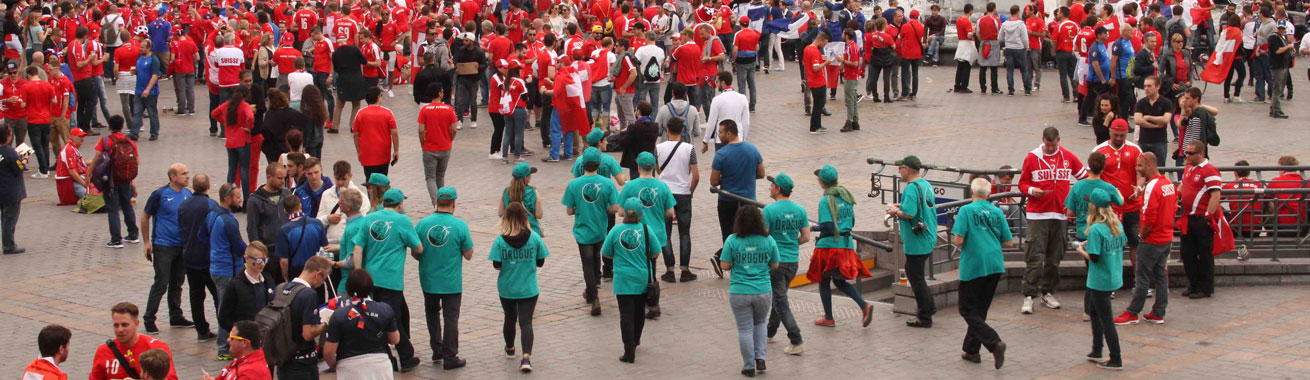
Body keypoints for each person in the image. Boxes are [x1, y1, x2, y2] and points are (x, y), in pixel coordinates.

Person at [1018, 127, 1087, 314]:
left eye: (1053, 145)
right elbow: (1022, 184)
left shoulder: (1067, 156)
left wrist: (1075, 199)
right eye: (1047, 145)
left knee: (1054, 258)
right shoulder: (1032, 157)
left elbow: (1084, 178)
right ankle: (1029, 295)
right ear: (1043, 140)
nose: (1050, 148)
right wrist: (1033, 191)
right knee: (1035, 256)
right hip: (1038, 215)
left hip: (1060, 214)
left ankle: (1048, 292)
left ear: (1059, 140)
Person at [949, 178, 1014, 369]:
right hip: (994, 263)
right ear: (989, 194)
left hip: (974, 264)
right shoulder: (996, 211)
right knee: (980, 309)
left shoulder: (966, 210)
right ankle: (971, 350)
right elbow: (1009, 242)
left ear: (971, 192)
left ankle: (994, 342)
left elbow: (958, 240)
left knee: (967, 309)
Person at [415, 186, 473, 369]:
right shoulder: (460, 225)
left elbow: (416, 252)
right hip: (451, 282)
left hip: (428, 280)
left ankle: (437, 349)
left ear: (437, 202)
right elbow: (469, 254)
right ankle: (450, 356)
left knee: (432, 313)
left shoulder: (423, 224)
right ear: (454, 204)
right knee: (451, 318)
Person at [719, 204, 780, 377]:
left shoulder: (732, 239)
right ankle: (760, 357)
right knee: (760, 323)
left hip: (740, 291)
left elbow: (724, 265)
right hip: (763, 290)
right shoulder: (768, 240)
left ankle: (748, 366)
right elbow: (775, 264)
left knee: (745, 329)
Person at [1115, 152, 1175, 325]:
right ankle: (1158, 312)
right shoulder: (1168, 184)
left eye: (1140, 165)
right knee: (1161, 275)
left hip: (1152, 239)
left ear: (1149, 165)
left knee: (1142, 277)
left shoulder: (1152, 187)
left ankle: (1133, 312)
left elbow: (1149, 215)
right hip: (1166, 237)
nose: (1137, 168)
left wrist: (1142, 235)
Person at [490, 201, 550, 373]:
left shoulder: (500, 240)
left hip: (507, 288)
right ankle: (526, 358)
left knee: (509, 317)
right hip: (528, 288)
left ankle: (510, 348)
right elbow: (540, 262)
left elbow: (496, 265)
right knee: (526, 322)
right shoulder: (534, 238)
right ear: (525, 218)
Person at [601, 197, 662, 363]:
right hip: (642, 278)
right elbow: (655, 253)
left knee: (625, 315)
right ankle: (635, 340)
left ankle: (629, 351)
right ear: (641, 215)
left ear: (623, 214)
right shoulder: (647, 230)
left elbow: (606, 253)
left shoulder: (615, 231)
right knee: (639, 312)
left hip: (622, 280)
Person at [563, 148, 622, 316]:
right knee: (597, 257)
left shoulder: (574, 184)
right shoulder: (607, 183)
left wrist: (580, 208)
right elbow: (614, 208)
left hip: (583, 230)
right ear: (598, 164)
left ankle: (593, 295)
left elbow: (569, 210)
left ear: (582, 165)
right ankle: (595, 283)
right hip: (600, 228)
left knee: (586, 262)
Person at [141, 163, 194, 333]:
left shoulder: (188, 194)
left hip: (182, 246)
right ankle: (149, 318)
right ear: (173, 177)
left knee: (177, 282)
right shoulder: (160, 194)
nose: (187, 176)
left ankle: (176, 316)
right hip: (164, 245)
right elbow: (145, 216)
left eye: (187, 173)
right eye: (183, 173)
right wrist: (146, 242)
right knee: (161, 282)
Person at [707, 119, 765, 275]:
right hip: (749, 201)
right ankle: (744, 264)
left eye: (720, 132)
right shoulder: (752, 149)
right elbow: (761, 173)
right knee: (750, 233)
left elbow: (713, 181)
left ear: (729, 133)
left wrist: (727, 179)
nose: (718, 136)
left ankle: (723, 259)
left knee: (729, 234)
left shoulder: (721, 154)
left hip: (727, 202)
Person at [883, 157, 936, 327]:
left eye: (900, 168)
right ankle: (929, 306)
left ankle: (925, 315)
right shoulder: (925, 184)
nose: (899, 171)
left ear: (908, 169)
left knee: (916, 277)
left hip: (917, 241)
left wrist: (895, 211)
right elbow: (920, 205)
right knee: (914, 272)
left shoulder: (911, 188)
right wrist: (901, 204)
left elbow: (910, 213)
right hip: (929, 236)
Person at [1078, 189, 1126, 371]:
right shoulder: (1117, 225)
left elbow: (1094, 257)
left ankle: (1116, 358)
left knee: (1106, 319)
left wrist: (1082, 250)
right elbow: (1120, 244)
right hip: (1113, 274)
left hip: (1099, 279)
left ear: (1094, 207)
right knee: (1094, 311)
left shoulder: (1097, 228)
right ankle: (1096, 349)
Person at [761, 173, 808, 353]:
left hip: (775, 263)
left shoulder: (769, 211)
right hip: (792, 262)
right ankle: (770, 332)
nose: (769, 188)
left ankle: (796, 340)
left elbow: (764, 236)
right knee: (779, 297)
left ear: (778, 189)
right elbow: (805, 236)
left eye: (772, 185)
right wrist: (791, 243)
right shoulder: (800, 210)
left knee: (781, 302)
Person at [323, 270, 400, 377]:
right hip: (380, 366)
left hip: (350, 368)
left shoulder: (339, 315)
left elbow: (328, 352)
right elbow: (395, 339)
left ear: (348, 288)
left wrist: (334, 365)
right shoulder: (385, 309)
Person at [275, 256, 333, 379]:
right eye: (324, 279)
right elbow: (308, 333)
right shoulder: (308, 295)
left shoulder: (280, 288)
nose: (322, 284)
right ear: (318, 274)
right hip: (302, 363)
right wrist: (325, 323)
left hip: (283, 359)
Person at [655, 119, 698, 281]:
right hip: (683, 193)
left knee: (666, 233)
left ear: (667, 130)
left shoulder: (658, 148)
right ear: (682, 131)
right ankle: (685, 270)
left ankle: (670, 270)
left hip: (665, 193)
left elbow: (658, 169)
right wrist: (690, 191)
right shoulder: (689, 149)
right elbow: (696, 176)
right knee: (684, 233)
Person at [87, 115, 140, 249]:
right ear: (122, 126)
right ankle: (133, 235)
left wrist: (88, 176)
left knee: (113, 209)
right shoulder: (130, 142)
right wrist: (131, 182)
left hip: (110, 180)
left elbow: (96, 159)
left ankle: (116, 239)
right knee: (127, 206)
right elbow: (136, 162)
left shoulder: (105, 141)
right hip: (125, 180)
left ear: (110, 127)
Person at [178, 175, 220, 342]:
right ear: (209, 186)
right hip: (208, 257)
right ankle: (223, 328)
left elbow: (180, 228)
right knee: (218, 294)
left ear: (193, 187)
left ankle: (201, 330)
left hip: (189, 256)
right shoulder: (211, 205)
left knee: (196, 295)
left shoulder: (184, 205)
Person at [206, 183, 245, 359]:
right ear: (228, 199)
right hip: (227, 270)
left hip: (215, 267)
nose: (240, 200)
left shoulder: (212, 214)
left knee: (224, 307)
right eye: (237, 197)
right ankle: (223, 348)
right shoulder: (229, 221)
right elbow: (239, 248)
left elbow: (202, 236)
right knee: (226, 310)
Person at [90, 302, 178, 380]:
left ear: (136, 324)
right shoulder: (104, 351)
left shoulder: (157, 348)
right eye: (116, 325)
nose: (120, 330)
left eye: (125, 325)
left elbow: (171, 378)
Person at [1179, 140, 1221, 299]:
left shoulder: (1210, 170)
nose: (1186, 155)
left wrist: (1208, 216)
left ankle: (1205, 287)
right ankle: (1193, 284)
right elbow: (1182, 187)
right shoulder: (1188, 168)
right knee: (1187, 253)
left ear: (1201, 154)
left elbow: (1215, 194)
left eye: (1190, 153)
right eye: (1186, 152)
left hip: (1201, 219)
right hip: (1188, 217)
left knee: (1204, 255)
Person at [1066, 153, 1124, 246]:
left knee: (1089, 258)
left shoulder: (1077, 186)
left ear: (1089, 165)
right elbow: (1120, 202)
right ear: (1103, 167)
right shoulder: (1108, 187)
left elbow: (1070, 212)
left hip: (1084, 231)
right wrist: (1118, 191)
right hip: (1103, 231)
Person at [247, 163, 291, 281]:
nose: (283, 181)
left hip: (287, 251)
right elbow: (252, 229)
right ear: (269, 177)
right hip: (269, 253)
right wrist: (259, 254)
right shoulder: (255, 200)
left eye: (284, 178)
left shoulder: (287, 193)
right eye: (280, 178)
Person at [418, 84, 458, 204]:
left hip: (429, 147)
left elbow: (421, 130)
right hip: (445, 147)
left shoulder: (424, 110)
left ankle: (436, 203)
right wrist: (449, 139)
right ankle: (443, 202)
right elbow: (454, 129)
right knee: (440, 176)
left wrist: (422, 144)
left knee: (430, 177)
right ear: (440, 94)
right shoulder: (449, 109)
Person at [213, 85, 255, 195]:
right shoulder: (244, 105)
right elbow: (250, 117)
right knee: (244, 170)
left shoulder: (227, 105)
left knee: (232, 169)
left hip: (230, 142)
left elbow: (214, 113)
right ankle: (246, 198)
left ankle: (229, 197)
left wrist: (224, 122)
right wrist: (249, 127)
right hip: (243, 140)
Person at [276, 196, 328, 281]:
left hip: (296, 272)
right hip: (316, 269)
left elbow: (284, 261)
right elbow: (325, 249)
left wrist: (285, 277)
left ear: (285, 211)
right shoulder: (317, 223)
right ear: (300, 206)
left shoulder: (285, 230)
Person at [353, 87, 399, 178]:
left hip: (366, 154)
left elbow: (355, 135)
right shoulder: (387, 113)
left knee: (369, 180)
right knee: (383, 180)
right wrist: (396, 150)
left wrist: (359, 152)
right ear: (378, 97)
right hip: (383, 154)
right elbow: (394, 133)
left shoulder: (360, 113)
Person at [201, 321, 272, 380]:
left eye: (232, 338)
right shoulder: (244, 361)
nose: (228, 340)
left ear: (244, 342)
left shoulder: (250, 374)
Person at [21, 65, 56, 177]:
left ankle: (43, 170)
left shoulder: (26, 86)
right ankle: (46, 167)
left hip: (33, 119)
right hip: (46, 118)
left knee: (37, 146)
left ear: (28, 74)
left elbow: (23, 104)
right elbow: (54, 100)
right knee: (45, 145)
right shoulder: (47, 85)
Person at [1134, 76, 1174, 166]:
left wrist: (1148, 117)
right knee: (1142, 170)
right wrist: (1155, 125)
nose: (1146, 89)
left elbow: (1165, 119)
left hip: (1159, 142)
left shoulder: (1166, 102)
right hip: (1143, 141)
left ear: (1157, 87)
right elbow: (1137, 120)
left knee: (1159, 169)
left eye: (1149, 86)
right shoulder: (1141, 102)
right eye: (1145, 86)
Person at [332, 35, 368, 131]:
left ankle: (335, 127)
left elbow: (335, 69)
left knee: (339, 104)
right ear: (346, 40)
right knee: (356, 104)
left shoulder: (335, 53)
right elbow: (364, 61)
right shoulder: (354, 49)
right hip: (356, 78)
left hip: (343, 79)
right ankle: (353, 126)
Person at [619, 102, 661, 179]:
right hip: (650, 159)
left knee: (636, 183)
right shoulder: (655, 126)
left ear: (638, 111)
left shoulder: (634, 127)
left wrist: (623, 132)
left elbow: (623, 142)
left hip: (636, 162)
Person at [132, 39, 163, 141]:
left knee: (152, 112)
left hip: (150, 92)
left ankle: (154, 133)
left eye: (142, 47)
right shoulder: (139, 58)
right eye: (140, 47)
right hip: (138, 90)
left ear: (149, 48)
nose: (140, 49)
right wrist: (135, 72)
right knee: (137, 112)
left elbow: (155, 76)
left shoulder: (153, 60)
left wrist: (147, 89)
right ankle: (134, 133)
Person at [802, 31, 832, 134]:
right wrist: (826, 62)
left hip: (811, 80)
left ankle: (817, 125)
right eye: (824, 43)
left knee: (818, 104)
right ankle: (814, 127)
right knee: (819, 105)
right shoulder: (814, 51)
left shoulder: (807, 49)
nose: (823, 46)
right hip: (818, 81)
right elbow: (815, 68)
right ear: (820, 40)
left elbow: (805, 62)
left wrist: (821, 59)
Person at [0, 125, 24, 254]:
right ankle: (8, 245)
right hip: (11, 192)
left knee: (4, 218)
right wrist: (24, 160)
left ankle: (7, 242)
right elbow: (18, 169)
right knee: (10, 219)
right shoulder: (10, 152)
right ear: (8, 136)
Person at [1000, 5, 1031, 96]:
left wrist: (1007, 40)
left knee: (1010, 70)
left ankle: (1011, 90)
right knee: (1024, 69)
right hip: (1020, 48)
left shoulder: (1005, 24)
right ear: (1018, 12)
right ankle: (1027, 90)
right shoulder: (1021, 24)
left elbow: (1000, 37)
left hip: (1009, 48)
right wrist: (1027, 46)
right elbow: (1025, 38)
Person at [977, 3, 1003, 94]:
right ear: (994, 9)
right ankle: (994, 88)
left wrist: (982, 40)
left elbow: (978, 32)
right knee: (994, 67)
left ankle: (983, 88)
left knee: (982, 67)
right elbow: (1000, 33)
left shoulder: (980, 20)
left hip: (984, 43)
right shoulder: (996, 20)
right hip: (994, 43)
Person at [1267, 23, 1292, 118]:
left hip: (1283, 66)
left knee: (1280, 88)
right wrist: (1288, 47)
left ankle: (1273, 108)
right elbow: (1277, 51)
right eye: (1280, 28)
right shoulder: (1273, 38)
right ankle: (1276, 110)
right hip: (1277, 66)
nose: (1281, 30)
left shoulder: (1282, 37)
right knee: (1277, 89)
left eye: (1283, 28)